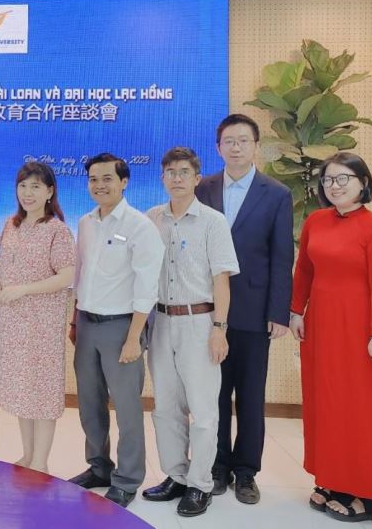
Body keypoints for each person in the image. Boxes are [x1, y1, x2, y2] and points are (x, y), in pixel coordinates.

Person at [290, 152, 372, 522]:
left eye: (343, 179)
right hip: (321, 328)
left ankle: (366, 494)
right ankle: (332, 479)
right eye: (328, 180)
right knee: (326, 406)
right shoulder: (316, 222)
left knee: (357, 411)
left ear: (363, 183)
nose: (333, 186)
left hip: (360, 333)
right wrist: (296, 310)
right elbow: (304, 270)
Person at [195, 113, 293, 504]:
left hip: (254, 310)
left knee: (251, 395)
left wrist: (278, 312)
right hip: (208, 310)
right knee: (214, 393)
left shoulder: (276, 194)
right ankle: (217, 466)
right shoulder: (203, 188)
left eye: (243, 141)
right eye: (228, 141)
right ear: (218, 147)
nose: (235, 148)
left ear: (256, 146)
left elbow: (281, 257)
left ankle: (247, 471)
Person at [143, 147, 239, 518]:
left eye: (184, 172)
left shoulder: (213, 222)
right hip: (161, 321)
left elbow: (221, 280)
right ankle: (176, 476)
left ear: (197, 178)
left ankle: (200, 484)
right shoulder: (152, 218)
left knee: (203, 410)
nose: (177, 178)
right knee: (166, 407)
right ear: (163, 178)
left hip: (200, 322)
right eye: (171, 172)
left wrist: (219, 329)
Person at [67, 153, 164, 507]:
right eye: (93, 179)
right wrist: (75, 320)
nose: (99, 185)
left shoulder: (140, 226)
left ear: (124, 182)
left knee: (126, 407)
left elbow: (147, 286)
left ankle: (127, 478)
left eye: (107, 178)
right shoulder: (85, 223)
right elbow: (80, 276)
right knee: (90, 404)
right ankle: (99, 468)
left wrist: (134, 337)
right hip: (87, 324)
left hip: (122, 326)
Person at [0, 162, 74, 474]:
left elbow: (67, 276)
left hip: (41, 325)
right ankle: (28, 454)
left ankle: (41, 462)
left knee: (41, 392)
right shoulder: (11, 224)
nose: (27, 193)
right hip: (12, 322)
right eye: (23, 186)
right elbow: (1, 262)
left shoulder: (57, 230)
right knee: (22, 389)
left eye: (35, 186)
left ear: (49, 191)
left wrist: (24, 290)